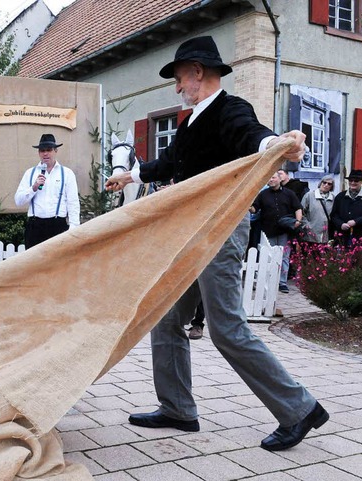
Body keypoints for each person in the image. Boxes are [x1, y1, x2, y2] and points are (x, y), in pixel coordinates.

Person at [105, 36, 327, 452]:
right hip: (190, 231)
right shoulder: (188, 123)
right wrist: (129, 176)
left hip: (222, 229)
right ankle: (177, 408)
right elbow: (168, 165)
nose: (176, 88)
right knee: (167, 318)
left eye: (177, 78)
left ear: (197, 72)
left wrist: (279, 144)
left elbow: (252, 136)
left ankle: (299, 409)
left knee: (226, 328)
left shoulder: (231, 109)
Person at [14, 133, 80, 248]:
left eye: (49, 150)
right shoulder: (30, 173)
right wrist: (33, 188)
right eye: (42, 150)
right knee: (34, 264)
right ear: (38, 153)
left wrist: (73, 227)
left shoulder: (67, 173)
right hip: (35, 227)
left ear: (55, 151)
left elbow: (73, 202)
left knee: (59, 264)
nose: (45, 153)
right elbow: (18, 201)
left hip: (58, 225)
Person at [251, 173, 303, 294]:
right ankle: (269, 281)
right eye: (269, 178)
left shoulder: (289, 193)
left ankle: (282, 283)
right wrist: (248, 205)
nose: (270, 179)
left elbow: (297, 207)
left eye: (273, 177)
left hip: (285, 231)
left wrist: (298, 221)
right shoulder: (263, 194)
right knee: (269, 256)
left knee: (284, 257)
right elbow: (255, 209)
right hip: (268, 230)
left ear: (280, 179)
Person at [330, 169, 362, 245]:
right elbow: (334, 215)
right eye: (351, 180)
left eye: (356, 181)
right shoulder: (340, 196)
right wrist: (341, 224)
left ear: (361, 182)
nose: (353, 183)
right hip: (342, 237)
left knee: (359, 256)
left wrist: (356, 221)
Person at [301, 175, 335, 243]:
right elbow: (301, 213)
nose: (326, 185)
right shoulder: (309, 195)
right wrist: (306, 225)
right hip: (310, 234)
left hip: (326, 235)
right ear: (320, 183)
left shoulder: (333, 198)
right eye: (324, 182)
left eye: (329, 184)